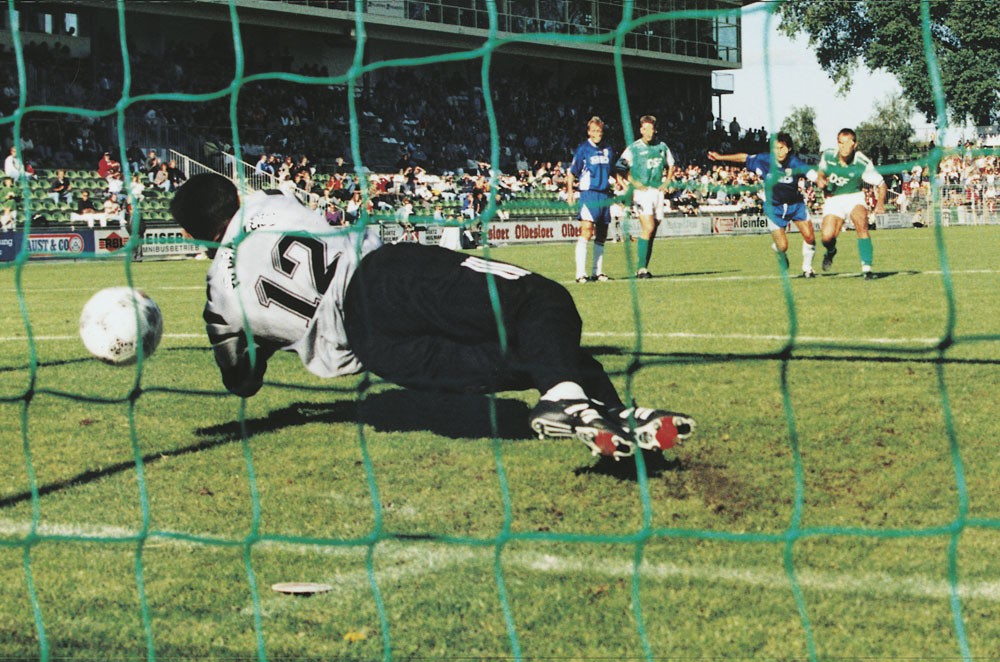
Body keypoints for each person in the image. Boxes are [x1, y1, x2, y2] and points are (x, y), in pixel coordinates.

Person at [170, 173, 695, 460]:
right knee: (542, 302)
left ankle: (595, 410)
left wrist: (260, 341)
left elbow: (241, 381)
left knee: (518, 361)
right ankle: (571, 400)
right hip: (388, 278)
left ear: (198, 236)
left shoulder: (219, 294)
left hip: (374, 348)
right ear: (235, 196)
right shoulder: (270, 198)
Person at [708, 132, 818, 277]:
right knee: (783, 246)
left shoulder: (795, 163)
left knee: (810, 237)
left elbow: (813, 174)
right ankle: (780, 253)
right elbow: (744, 157)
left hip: (795, 204)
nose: (778, 151)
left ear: (789, 149)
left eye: (781, 148)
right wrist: (721, 157)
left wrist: (823, 182)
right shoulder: (764, 160)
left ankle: (807, 269)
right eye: (775, 148)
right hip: (774, 208)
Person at [815, 128, 887, 279]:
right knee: (826, 238)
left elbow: (881, 184)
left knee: (861, 222)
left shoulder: (862, 162)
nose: (844, 147)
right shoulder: (828, 155)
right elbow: (821, 172)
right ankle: (831, 251)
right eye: (841, 143)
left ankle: (867, 269)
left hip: (855, 196)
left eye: (848, 143)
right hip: (833, 199)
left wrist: (880, 204)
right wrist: (820, 179)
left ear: (855, 145)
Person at [614, 115, 676, 279]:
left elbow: (672, 164)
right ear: (641, 130)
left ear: (655, 129)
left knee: (653, 230)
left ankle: (643, 267)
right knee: (648, 227)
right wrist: (632, 182)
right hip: (642, 193)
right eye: (645, 129)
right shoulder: (634, 148)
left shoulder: (662, 147)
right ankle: (641, 268)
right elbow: (620, 167)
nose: (649, 132)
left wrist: (667, 181)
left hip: (657, 192)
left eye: (651, 128)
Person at [566, 116, 615, 283]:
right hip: (589, 194)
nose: (597, 134)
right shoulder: (583, 149)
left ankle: (597, 272)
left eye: (599, 131)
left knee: (602, 234)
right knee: (586, 230)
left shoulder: (609, 149)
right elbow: (572, 172)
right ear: (588, 132)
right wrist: (571, 191)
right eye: (594, 131)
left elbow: (614, 170)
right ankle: (580, 273)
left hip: (604, 194)